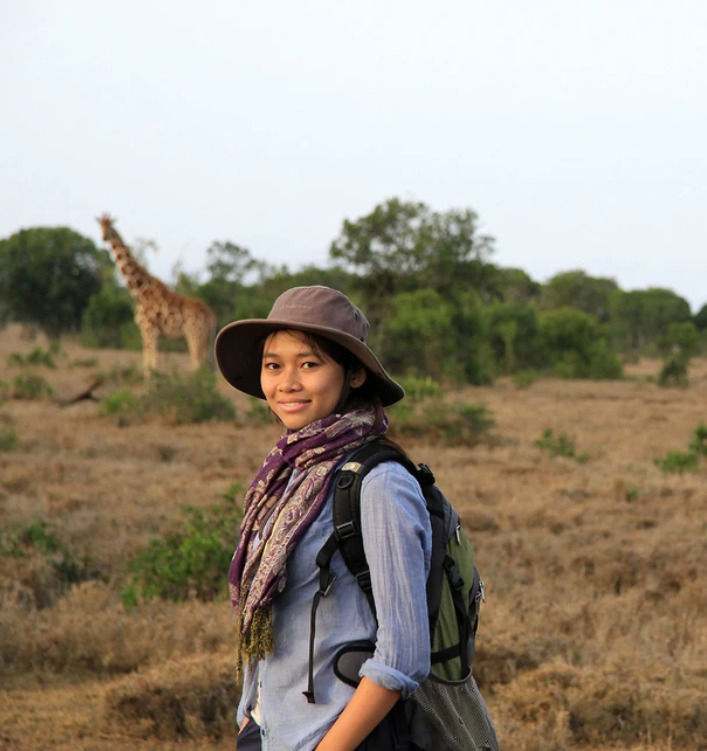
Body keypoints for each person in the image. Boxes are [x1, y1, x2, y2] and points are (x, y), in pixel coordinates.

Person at [215, 285, 432, 751]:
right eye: (274, 365)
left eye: (308, 364)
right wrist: (249, 721)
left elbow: (403, 656)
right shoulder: (288, 473)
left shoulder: (380, 484)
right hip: (269, 731)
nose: (286, 382)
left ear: (353, 375)